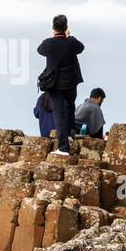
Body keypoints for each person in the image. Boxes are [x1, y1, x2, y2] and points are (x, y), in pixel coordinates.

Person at [37, 15, 84, 156]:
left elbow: (40, 50)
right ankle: (70, 134)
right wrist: (69, 36)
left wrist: (53, 37)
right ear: (66, 27)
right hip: (71, 82)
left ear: (53, 28)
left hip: (55, 84)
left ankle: (63, 148)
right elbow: (81, 48)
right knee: (70, 106)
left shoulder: (48, 43)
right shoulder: (71, 42)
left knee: (58, 113)